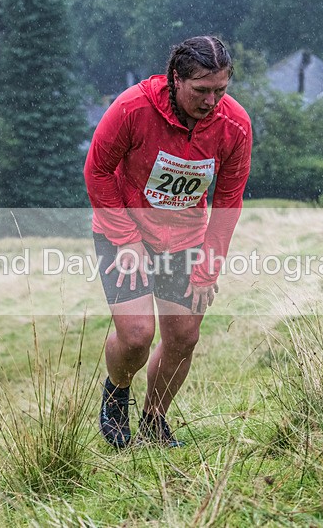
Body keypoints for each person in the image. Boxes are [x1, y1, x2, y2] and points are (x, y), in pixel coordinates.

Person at [84, 36, 252, 448]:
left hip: (185, 238)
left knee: (183, 337)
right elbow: (97, 172)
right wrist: (126, 239)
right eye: (201, 91)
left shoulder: (234, 126)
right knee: (138, 335)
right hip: (123, 231)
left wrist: (207, 268)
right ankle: (117, 393)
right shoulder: (132, 108)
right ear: (175, 78)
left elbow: (228, 201)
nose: (211, 101)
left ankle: (154, 422)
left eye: (220, 91)